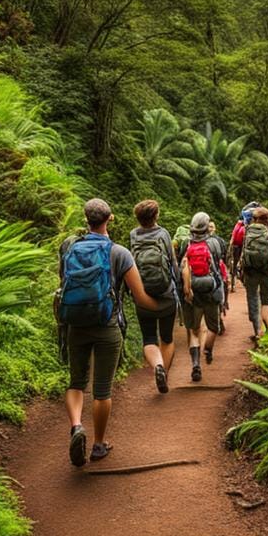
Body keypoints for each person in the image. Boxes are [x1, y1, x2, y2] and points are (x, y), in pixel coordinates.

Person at [56, 198, 160, 466]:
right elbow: (139, 296)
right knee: (102, 389)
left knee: (76, 382)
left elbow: (63, 285)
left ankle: (77, 426)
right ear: (109, 218)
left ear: (85, 219)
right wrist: (161, 307)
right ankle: (99, 444)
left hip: (76, 324)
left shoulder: (69, 248)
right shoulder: (119, 253)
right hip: (107, 326)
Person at [128, 200, 179, 394]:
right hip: (166, 294)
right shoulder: (163, 234)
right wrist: (178, 288)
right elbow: (172, 262)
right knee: (166, 338)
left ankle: (156, 365)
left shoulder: (133, 235)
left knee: (149, 338)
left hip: (143, 295)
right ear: (156, 216)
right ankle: (164, 373)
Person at [179, 212, 225, 383]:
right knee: (213, 327)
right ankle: (208, 350)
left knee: (194, 330)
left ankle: (195, 364)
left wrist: (184, 290)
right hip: (211, 291)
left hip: (192, 293)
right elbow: (219, 264)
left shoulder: (186, 243)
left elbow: (181, 267)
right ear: (207, 226)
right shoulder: (215, 243)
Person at [240, 206, 268, 341]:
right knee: (266, 299)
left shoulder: (247, 231)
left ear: (254, 219)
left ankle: (257, 330)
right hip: (266, 270)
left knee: (252, 298)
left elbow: (243, 251)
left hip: (250, 271)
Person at [201, 220, 230, 365]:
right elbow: (222, 259)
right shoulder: (217, 242)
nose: (211, 229)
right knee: (216, 302)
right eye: (209, 227)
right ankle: (209, 342)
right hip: (214, 279)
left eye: (212, 226)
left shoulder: (193, 243)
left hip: (199, 283)